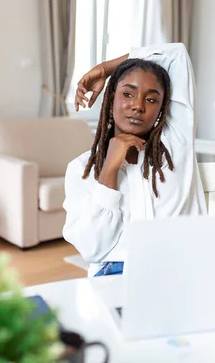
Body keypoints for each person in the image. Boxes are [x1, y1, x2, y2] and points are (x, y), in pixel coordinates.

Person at [62, 43, 206, 277]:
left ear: (161, 109)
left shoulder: (176, 145)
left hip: (177, 271)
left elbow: (176, 53)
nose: (138, 106)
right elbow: (92, 250)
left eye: (151, 100)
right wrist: (109, 169)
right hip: (116, 273)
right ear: (110, 101)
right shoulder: (81, 169)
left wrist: (105, 69)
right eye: (127, 94)